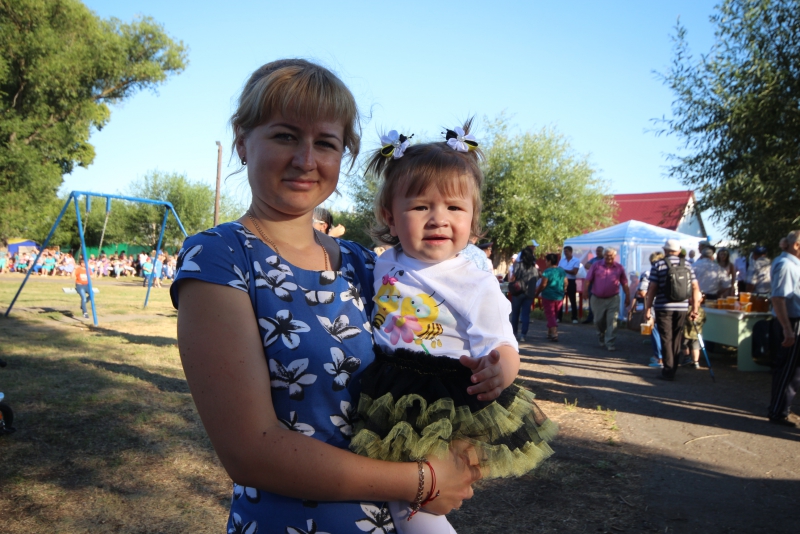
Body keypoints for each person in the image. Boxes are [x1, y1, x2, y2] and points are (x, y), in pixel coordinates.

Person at [170, 59, 481, 534]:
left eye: (326, 143)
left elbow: (428, 359)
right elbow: (251, 451)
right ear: (242, 142)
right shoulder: (219, 258)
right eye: (285, 135)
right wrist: (422, 480)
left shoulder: (364, 263)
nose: (306, 159)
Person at [355, 120, 557, 533]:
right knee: (395, 494)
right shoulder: (384, 262)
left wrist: (501, 369)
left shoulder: (474, 280)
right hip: (387, 384)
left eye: (454, 207)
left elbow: (500, 339)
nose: (437, 219)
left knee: (423, 501)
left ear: (473, 221)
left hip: (439, 397)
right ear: (389, 216)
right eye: (420, 206)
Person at [644, 239, 702, 381]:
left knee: (666, 338)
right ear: (678, 250)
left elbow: (652, 288)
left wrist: (648, 308)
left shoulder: (659, 264)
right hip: (682, 307)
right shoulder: (687, 264)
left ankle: (668, 371)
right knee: (677, 337)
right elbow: (695, 288)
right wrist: (695, 309)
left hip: (663, 307)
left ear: (665, 250)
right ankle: (673, 368)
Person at [767, 230, 800, 427]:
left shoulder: (791, 264)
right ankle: (778, 411)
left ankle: (782, 408)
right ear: (796, 245)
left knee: (794, 371)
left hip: (793, 321)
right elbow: (778, 298)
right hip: (791, 322)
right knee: (787, 371)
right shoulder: (787, 265)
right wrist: (787, 329)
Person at [581, 248, 630, 352]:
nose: (609, 257)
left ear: (615, 256)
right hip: (597, 298)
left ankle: (610, 342)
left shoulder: (619, 267)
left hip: (613, 298)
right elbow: (588, 280)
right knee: (598, 320)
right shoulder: (596, 265)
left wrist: (628, 296)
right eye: (607, 255)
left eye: (611, 255)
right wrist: (585, 291)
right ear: (604, 256)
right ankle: (601, 335)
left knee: (612, 320)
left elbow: (624, 283)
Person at [638, 252, 665, 368]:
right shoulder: (667, 271)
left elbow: (643, 292)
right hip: (668, 305)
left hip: (654, 305)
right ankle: (668, 357)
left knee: (655, 331)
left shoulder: (648, 273)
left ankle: (658, 357)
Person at [509, 246, 539, 342]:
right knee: (526, 314)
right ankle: (523, 335)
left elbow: (513, 277)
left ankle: (514, 333)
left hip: (518, 291)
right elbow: (536, 278)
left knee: (515, 314)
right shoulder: (534, 268)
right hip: (529, 293)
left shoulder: (519, 265)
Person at [535, 253, 567, 342]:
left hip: (548, 296)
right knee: (554, 314)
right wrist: (564, 289)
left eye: (546, 260)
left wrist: (537, 293)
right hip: (559, 296)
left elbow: (543, 284)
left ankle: (554, 333)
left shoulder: (547, 272)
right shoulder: (561, 271)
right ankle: (549, 332)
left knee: (550, 315)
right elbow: (566, 282)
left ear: (549, 261)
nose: (545, 262)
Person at [558, 245, 581, 323]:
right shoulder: (562, 260)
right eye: (564, 252)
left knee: (572, 300)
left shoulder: (576, 260)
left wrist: (564, 270)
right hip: (562, 281)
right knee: (560, 299)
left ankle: (574, 318)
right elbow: (558, 270)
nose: (565, 253)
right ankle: (559, 317)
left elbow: (574, 272)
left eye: (566, 251)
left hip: (571, 281)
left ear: (571, 252)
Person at [582, 246, 604, 324]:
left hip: (601, 284)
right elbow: (586, 265)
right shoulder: (594, 259)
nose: (598, 252)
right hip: (592, 283)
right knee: (591, 300)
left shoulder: (605, 261)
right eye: (597, 251)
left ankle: (600, 319)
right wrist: (595, 267)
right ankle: (590, 318)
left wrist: (594, 267)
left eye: (599, 251)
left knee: (601, 301)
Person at [680, 304, 706, 369]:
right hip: (697, 332)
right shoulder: (702, 310)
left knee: (684, 345)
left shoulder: (688, 308)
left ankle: (687, 357)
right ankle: (696, 362)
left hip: (686, 332)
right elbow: (704, 319)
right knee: (696, 348)